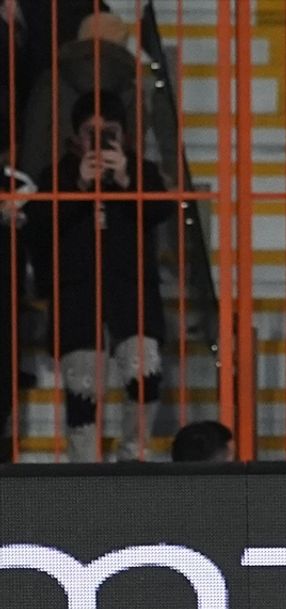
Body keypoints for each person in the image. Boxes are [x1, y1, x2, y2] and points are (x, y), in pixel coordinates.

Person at [22, 91, 173, 462]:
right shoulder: (57, 174)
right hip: (78, 297)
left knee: (145, 370)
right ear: (77, 136)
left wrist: (125, 178)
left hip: (132, 293)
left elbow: (162, 209)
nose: (101, 140)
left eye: (110, 132)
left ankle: (134, 455)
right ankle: (84, 472)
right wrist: (78, 186)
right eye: (92, 132)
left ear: (124, 135)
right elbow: (38, 225)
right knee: (83, 388)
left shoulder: (142, 170)